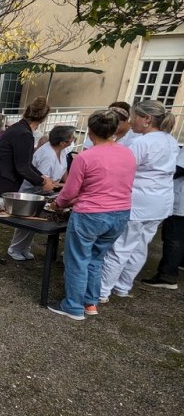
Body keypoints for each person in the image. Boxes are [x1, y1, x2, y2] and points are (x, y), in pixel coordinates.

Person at [46, 110, 137, 320]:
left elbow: (69, 191)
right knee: (97, 259)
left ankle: (73, 307)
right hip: (120, 213)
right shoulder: (127, 153)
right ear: (114, 130)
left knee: (77, 259)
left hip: (91, 214)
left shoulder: (85, 157)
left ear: (90, 130)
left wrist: (58, 204)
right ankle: (90, 303)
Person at [99, 100, 179, 302]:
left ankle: (102, 290)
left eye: (135, 116)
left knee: (121, 247)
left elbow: (122, 170)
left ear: (147, 119)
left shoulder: (142, 143)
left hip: (139, 201)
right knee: (140, 246)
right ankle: (123, 286)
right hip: (160, 202)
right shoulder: (169, 140)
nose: (132, 121)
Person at [0, 97, 57, 268]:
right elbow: (22, 167)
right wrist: (42, 182)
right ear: (44, 118)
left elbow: (25, 162)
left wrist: (43, 178)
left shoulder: (20, 128)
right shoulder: (23, 134)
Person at [8, 125, 76, 261]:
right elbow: (43, 181)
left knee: (35, 221)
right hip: (33, 190)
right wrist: (61, 186)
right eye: (72, 138)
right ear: (63, 142)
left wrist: (68, 183)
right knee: (27, 221)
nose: (74, 139)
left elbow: (63, 170)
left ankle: (24, 248)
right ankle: (15, 248)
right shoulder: (47, 155)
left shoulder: (62, 150)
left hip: (47, 190)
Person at [140, 144, 184, 290]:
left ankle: (167, 275)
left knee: (173, 237)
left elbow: (178, 169)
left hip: (180, 200)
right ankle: (179, 262)